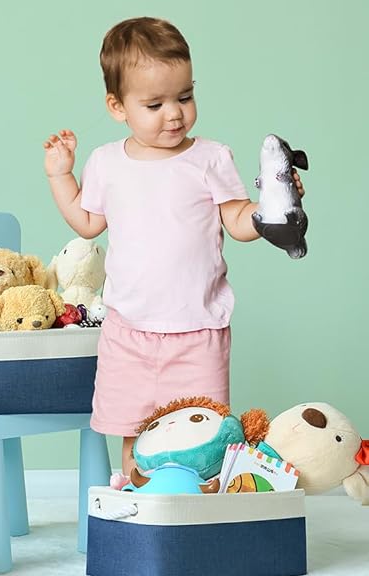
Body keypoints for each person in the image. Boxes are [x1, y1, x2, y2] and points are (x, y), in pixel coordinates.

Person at [42, 16, 305, 478]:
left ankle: (194, 512)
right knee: (135, 436)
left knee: (204, 440)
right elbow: (86, 223)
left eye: (185, 97)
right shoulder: (106, 162)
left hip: (197, 330)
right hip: (129, 332)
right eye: (155, 104)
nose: (175, 114)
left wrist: (271, 209)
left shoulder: (209, 157)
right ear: (117, 106)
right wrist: (60, 175)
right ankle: (137, 505)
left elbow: (237, 220)